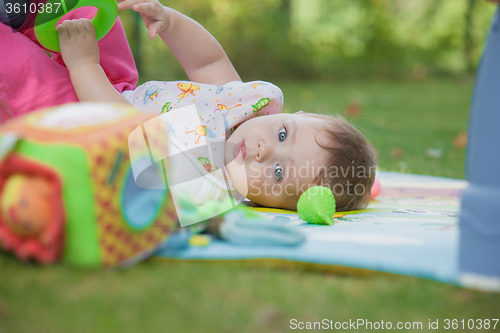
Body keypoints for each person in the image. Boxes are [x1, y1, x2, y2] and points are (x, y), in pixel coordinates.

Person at [55, 0, 377, 212]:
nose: (264, 150)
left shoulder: (205, 187)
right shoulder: (247, 108)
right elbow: (208, 62)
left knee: (19, 68)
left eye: (278, 172)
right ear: (294, 115)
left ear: (272, 205)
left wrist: (84, 66)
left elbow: (122, 129)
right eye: (282, 134)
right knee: (93, 16)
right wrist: (170, 21)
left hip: (82, 118)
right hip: (119, 84)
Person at [0, 1, 138, 121]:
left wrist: (84, 65)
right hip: (120, 86)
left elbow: (125, 128)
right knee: (82, 11)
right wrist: (161, 21)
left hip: (76, 120)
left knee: (12, 58)